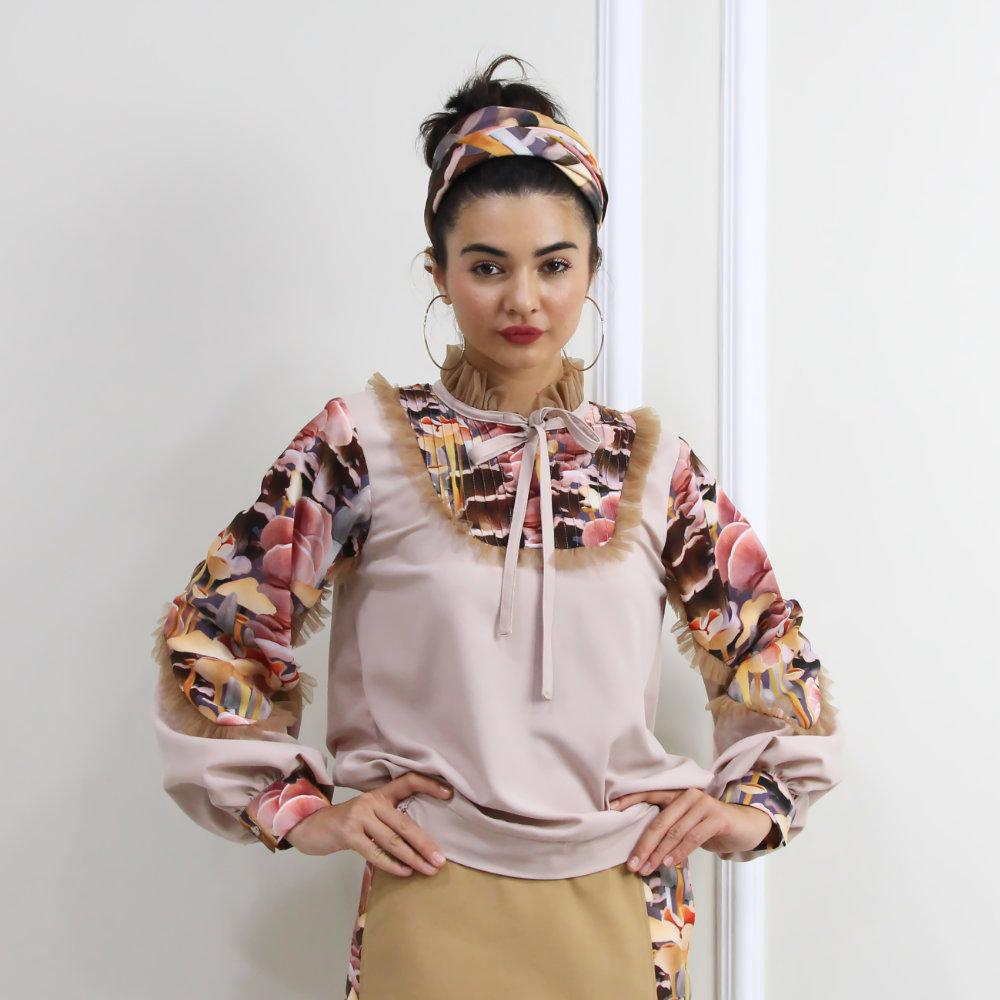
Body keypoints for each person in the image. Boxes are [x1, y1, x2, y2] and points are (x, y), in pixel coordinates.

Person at [150, 54, 843, 1000]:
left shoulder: (655, 466)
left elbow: (769, 641)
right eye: (487, 266)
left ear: (591, 270)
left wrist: (753, 807)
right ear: (437, 273)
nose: (524, 300)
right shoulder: (359, 444)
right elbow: (217, 629)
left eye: (555, 265)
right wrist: (300, 809)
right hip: (430, 896)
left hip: (624, 900)